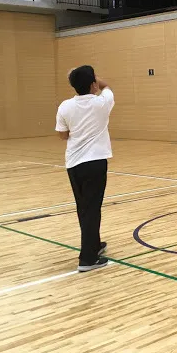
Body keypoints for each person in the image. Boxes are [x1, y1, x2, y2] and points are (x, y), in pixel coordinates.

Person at [55, 65, 114, 272]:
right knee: (92, 209)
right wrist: (96, 79)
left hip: (74, 164)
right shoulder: (102, 103)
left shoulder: (64, 106)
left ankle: (94, 245)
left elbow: (63, 135)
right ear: (92, 84)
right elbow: (107, 87)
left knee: (85, 208)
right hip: (95, 163)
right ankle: (87, 259)